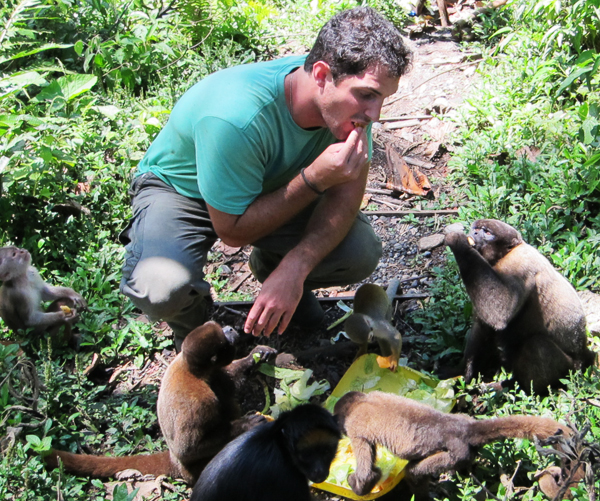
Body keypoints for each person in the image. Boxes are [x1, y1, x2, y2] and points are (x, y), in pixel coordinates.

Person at [119, 6, 412, 350]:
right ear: (321, 75)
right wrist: (314, 179)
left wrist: (295, 266)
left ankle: (273, 267)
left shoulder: (347, 104)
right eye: (366, 95)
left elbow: (344, 201)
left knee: (359, 250)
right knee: (161, 288)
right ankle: (198, 329)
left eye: (382, 98)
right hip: (184, 191)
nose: (374, 114)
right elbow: (232, 232)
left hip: (267, 186)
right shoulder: (236, 117)